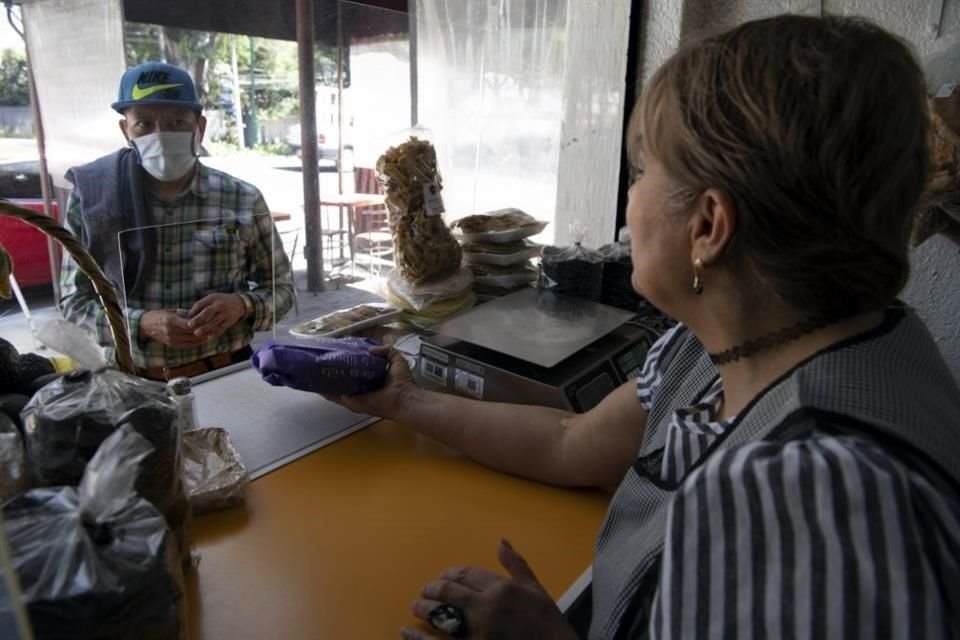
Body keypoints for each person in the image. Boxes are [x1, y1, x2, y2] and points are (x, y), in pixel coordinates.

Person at [326, 14, 960, 640]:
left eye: (641, 173)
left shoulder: (807, 501)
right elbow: (572, 440)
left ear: (709, 226)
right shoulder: (742, 343)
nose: (630, 202)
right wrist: (404, 401)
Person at [59, 61, 293, 380]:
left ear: (200, 127)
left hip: (229, 373)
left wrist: (242, 305)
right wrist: (141, 322)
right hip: (136, 382)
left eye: (177, 121)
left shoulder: (242, 199)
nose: (161, 135)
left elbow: (283, 290)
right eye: (144, 124)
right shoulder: (92, 200)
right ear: (125, 129)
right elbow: (73, 304)